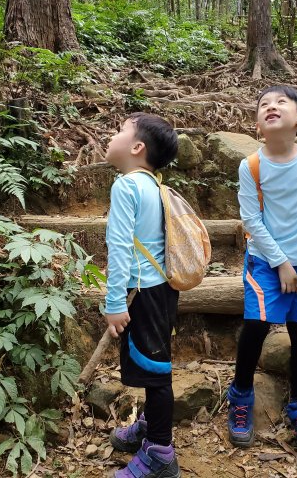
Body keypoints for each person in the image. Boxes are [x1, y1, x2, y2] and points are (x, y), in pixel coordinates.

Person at [227, 85, 297, 456]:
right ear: (258, 125)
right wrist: (282, 264)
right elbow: (251, 221)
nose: (270, 108)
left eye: (280, 103)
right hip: (264, 264)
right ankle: (241, 395)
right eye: (263, 105)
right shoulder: (251, 166)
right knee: (257, 325)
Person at [104, 112, 181, 478]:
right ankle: (150, 427)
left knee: (156, 374)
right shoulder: (155, 184)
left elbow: (119, 247)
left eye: (120, 130)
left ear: (136, 147)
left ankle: (161, 454)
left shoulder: (127, 186)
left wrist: (115, 302)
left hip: (141, 294)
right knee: (157, 366)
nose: (112, 134)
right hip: (162, 291)